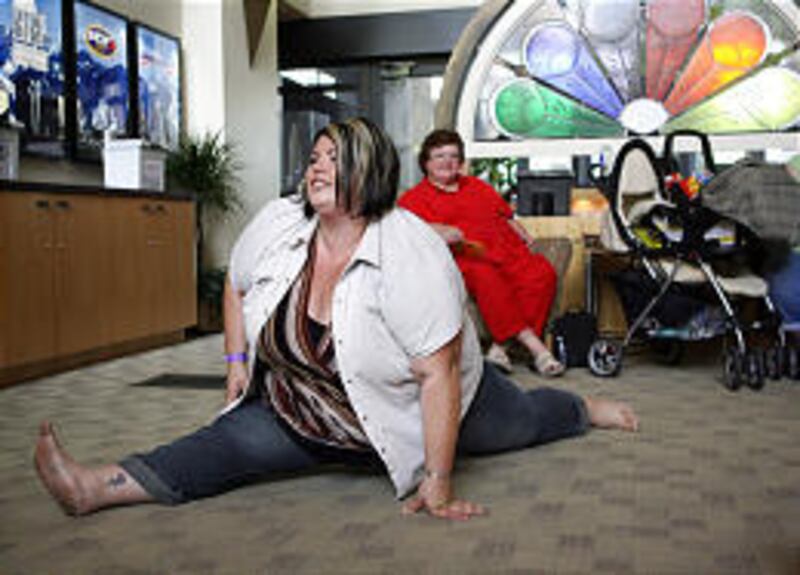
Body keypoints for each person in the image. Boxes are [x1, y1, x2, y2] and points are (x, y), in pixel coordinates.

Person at [34, 117, 638, 521]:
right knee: (218, 446)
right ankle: (94, 487)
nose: (316, 167)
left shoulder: (411, 248)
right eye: (314, 156)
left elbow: (439, 375)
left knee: (525, 419)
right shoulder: (279, 222)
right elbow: (237, 286)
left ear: (369, 171)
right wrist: (238, 365)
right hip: (307, 408)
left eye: (334, 158)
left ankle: (586, 409)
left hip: (410, 412)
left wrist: (438, 480)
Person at [398, 129, 565, 376]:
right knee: (486, 277)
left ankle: (500, 347)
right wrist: (439, 230)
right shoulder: (414, 199)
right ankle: (537, 348)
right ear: (426, 162)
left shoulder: (477, 186)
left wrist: (519, 230)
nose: (447, 161)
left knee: (542, 273)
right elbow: (405, 232)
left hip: (505, 251)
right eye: (439, 155)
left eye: (454, 155)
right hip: (464, 258)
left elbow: (503, 214)